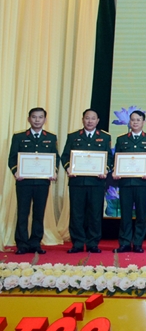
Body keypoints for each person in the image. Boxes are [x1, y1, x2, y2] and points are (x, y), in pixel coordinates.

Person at [8, 107, 60, 255]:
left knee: (39, 213)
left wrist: (54, 171)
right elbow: (12, 158)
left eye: (40, 117)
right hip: (24, 182)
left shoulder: (51, 138)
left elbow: (55, 158)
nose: (37, 120)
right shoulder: (19, 137)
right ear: (29, 119)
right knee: (23, 213)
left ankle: (35, 243)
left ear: (45, 119)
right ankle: (22, 244)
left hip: (42, 182)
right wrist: (16, 172)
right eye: (34, 117)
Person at [61, 109, 111, 254]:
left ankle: (93, 243)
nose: (90, 121)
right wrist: (68, 168)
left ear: (98, 120)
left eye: (93, 118)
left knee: (95, 214)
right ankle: (77, 243)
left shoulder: (105, 137)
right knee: (77, 214)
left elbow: (109, 157)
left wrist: (105, 169)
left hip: (96, 182)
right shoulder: (73, 136)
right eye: (87, 118)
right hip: (77, 182)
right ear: (82, 119)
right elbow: (65, 156)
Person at [113, 110, 146, 253]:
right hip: (125, 183)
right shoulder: (121, 139)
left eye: (138, 120)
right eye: (133, 120)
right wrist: (116, 170)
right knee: (125, 214)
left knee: (141, 214)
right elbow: (117, 158)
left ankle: (138, 243)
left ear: (143, 122)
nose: (135, 122)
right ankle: (125, 243)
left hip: (142, 183)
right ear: (129, 122)